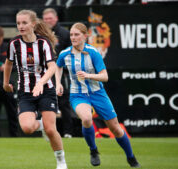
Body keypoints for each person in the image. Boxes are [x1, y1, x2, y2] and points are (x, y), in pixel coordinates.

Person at [55, 22, 140, 168]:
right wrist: (58, 83)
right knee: (87, 118)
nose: (73, 37)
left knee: (115, 128)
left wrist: (88, 75)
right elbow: (57, 66)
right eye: (71, 35)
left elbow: (105, 76)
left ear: (85, 36)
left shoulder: (93, 52)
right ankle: (93, 150)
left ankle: (131, 157)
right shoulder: (65, 53)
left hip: (97, 93)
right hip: (78, 94)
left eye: (77, 34)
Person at [3, 9, 67, 169]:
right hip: (25, 92)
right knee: (26, 128)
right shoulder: (14, 43)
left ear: (33, 23)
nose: (21, 26)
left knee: (52, 130)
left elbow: (52, 67)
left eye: (24, 23)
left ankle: (61, 162)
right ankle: (42, 125)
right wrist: (5, 83)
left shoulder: (43, 43)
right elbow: (9, 63)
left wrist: (41, 83)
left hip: (46, 90)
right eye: (18, 23)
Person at [42, 8, 74, 138]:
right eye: (45, 19)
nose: (48, 21)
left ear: (56, 18)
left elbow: (71, 54)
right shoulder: (40, 34)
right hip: (44, 74)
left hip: (61, 74)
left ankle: (68, 132)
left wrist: (62, 69)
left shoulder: (65, 34)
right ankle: (47, 131)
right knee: (45, 103)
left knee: (64, 104)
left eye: (50, 18)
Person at [0, 26, 18, 137]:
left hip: (8, 84)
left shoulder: (8, 47)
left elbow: (16, 65)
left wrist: (6, 68)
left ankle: (14, 135)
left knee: (12, 111)